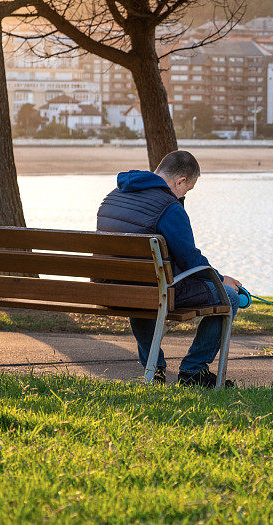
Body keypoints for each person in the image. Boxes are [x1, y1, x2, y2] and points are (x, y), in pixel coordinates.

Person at [96, 150, 242, 387]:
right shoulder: (169, 207)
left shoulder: (114, 195)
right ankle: (194, 371)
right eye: (187, 189)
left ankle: (154, 369)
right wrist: (221, 278)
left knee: (142, 291)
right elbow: (190, 259)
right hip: (155, 289)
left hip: (114, 288)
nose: (184, 194)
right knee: (231, 298)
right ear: (181, 181)